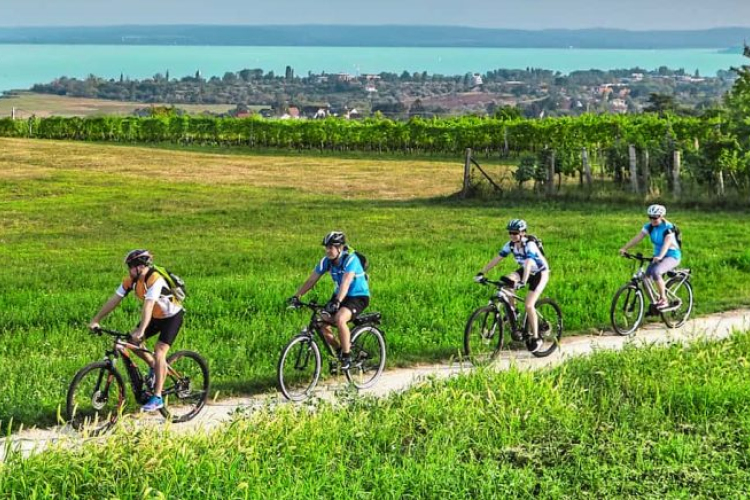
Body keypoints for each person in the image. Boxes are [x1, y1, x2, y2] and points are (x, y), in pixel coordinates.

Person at [89, 249, 185, 412]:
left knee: (159, 351)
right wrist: (96, 320)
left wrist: (141, 330)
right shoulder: (131, 281)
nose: (128, 271)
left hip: (171, 317)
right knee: (132, 341)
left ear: (140, 267)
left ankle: (157, 398)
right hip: (155, 316)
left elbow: (148, 305)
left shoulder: (155, 279)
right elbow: (115, 300)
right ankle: (156, 367)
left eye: (130, 267)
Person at [289, 231, 370, 370]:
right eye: (326, 247)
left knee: (340, 319)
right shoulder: (326, 261)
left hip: (358, 296)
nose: (327, 250)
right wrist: (297, 296)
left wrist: (337, 301)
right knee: (321, 323)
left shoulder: (351, 259)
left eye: (331, 247)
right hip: (340, 295)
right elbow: (312, 279)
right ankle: (339, 350)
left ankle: (347, 356)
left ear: (340, 247)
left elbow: (346, 282)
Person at [473, 219, 550, 352]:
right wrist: (481, 272)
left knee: (529, 304)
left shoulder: (530, 245)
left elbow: (528, 263)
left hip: (539, 273)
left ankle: (536, 338)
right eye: (510, 232)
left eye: (515, 232)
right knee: (506, 281)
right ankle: (514, 312)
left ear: (523, 233)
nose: (512, 235)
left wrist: (523, 281)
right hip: (525, 271)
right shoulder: (511, 245)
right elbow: (497, 259)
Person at [619, 204, 681, 309]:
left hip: (672, 256)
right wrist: (625, 248)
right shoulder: (649, 227)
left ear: (661, 216)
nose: (652, 220)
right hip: (658, 256)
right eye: (650, 217)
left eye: (655, 217)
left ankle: (664, 299)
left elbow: (666, 244)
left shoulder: (668, 228)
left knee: (656, 271)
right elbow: (638, 237)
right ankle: (654, 304)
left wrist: (660, 256)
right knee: (645, 279)